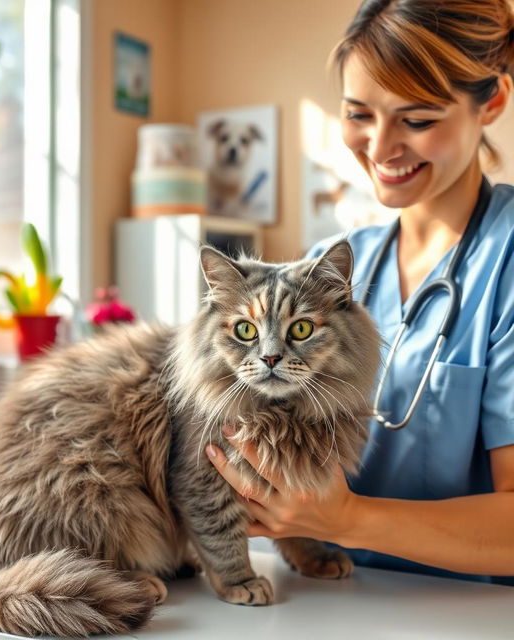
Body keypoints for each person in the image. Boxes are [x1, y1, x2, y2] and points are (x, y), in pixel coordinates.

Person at [206, 0, 514, 585]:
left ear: (492, 100)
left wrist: (347, 519)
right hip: (331, 594)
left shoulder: (507, 262)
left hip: (471, 614)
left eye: (417, 120)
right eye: (358, 114)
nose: (380, 148)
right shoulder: (328, 267)